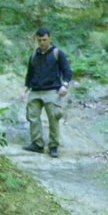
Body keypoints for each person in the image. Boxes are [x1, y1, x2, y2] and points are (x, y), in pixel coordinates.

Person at [20, 26, 71, 158]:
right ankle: (37, 144)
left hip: (52, 91)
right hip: (35, 91)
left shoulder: (57, 53)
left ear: (50, 38)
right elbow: (29, 75)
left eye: (44, 39)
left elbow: (67, 71)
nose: (42, 43)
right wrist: (24, 90)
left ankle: (53, 147)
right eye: (39, 40)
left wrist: (64, 85)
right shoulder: (33, 56)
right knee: (33, 117)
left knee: (53, 118)